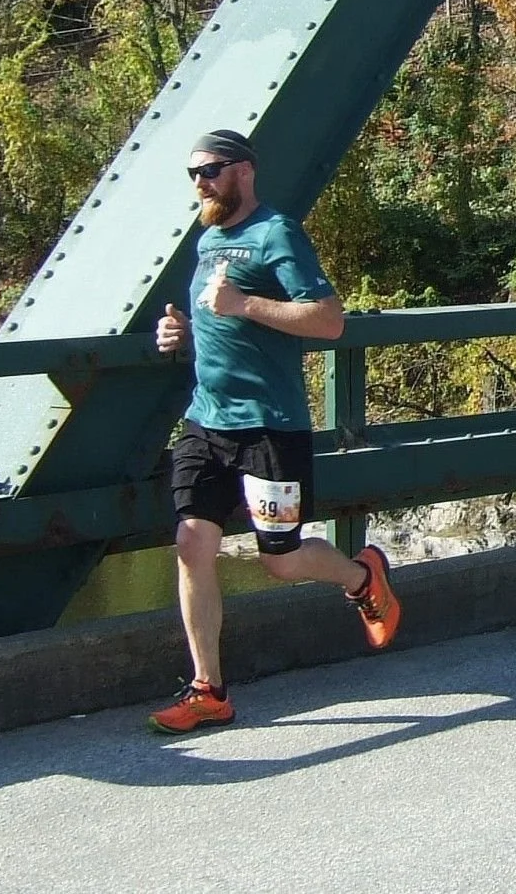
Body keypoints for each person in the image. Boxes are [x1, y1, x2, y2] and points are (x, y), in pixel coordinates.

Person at [147, 129, 401, 734]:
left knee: (280, 562)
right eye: (192, 174)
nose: (200, 183)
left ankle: (361, 575)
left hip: (270, 428)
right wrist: (181, 338)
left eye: (209, 170)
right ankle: (209, 690)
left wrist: (245, 306)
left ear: (244, 171)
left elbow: (328, 319)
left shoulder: (276, 233)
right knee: (191, 543)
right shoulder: (209, 240)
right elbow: (219, 326)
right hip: (207, 421)